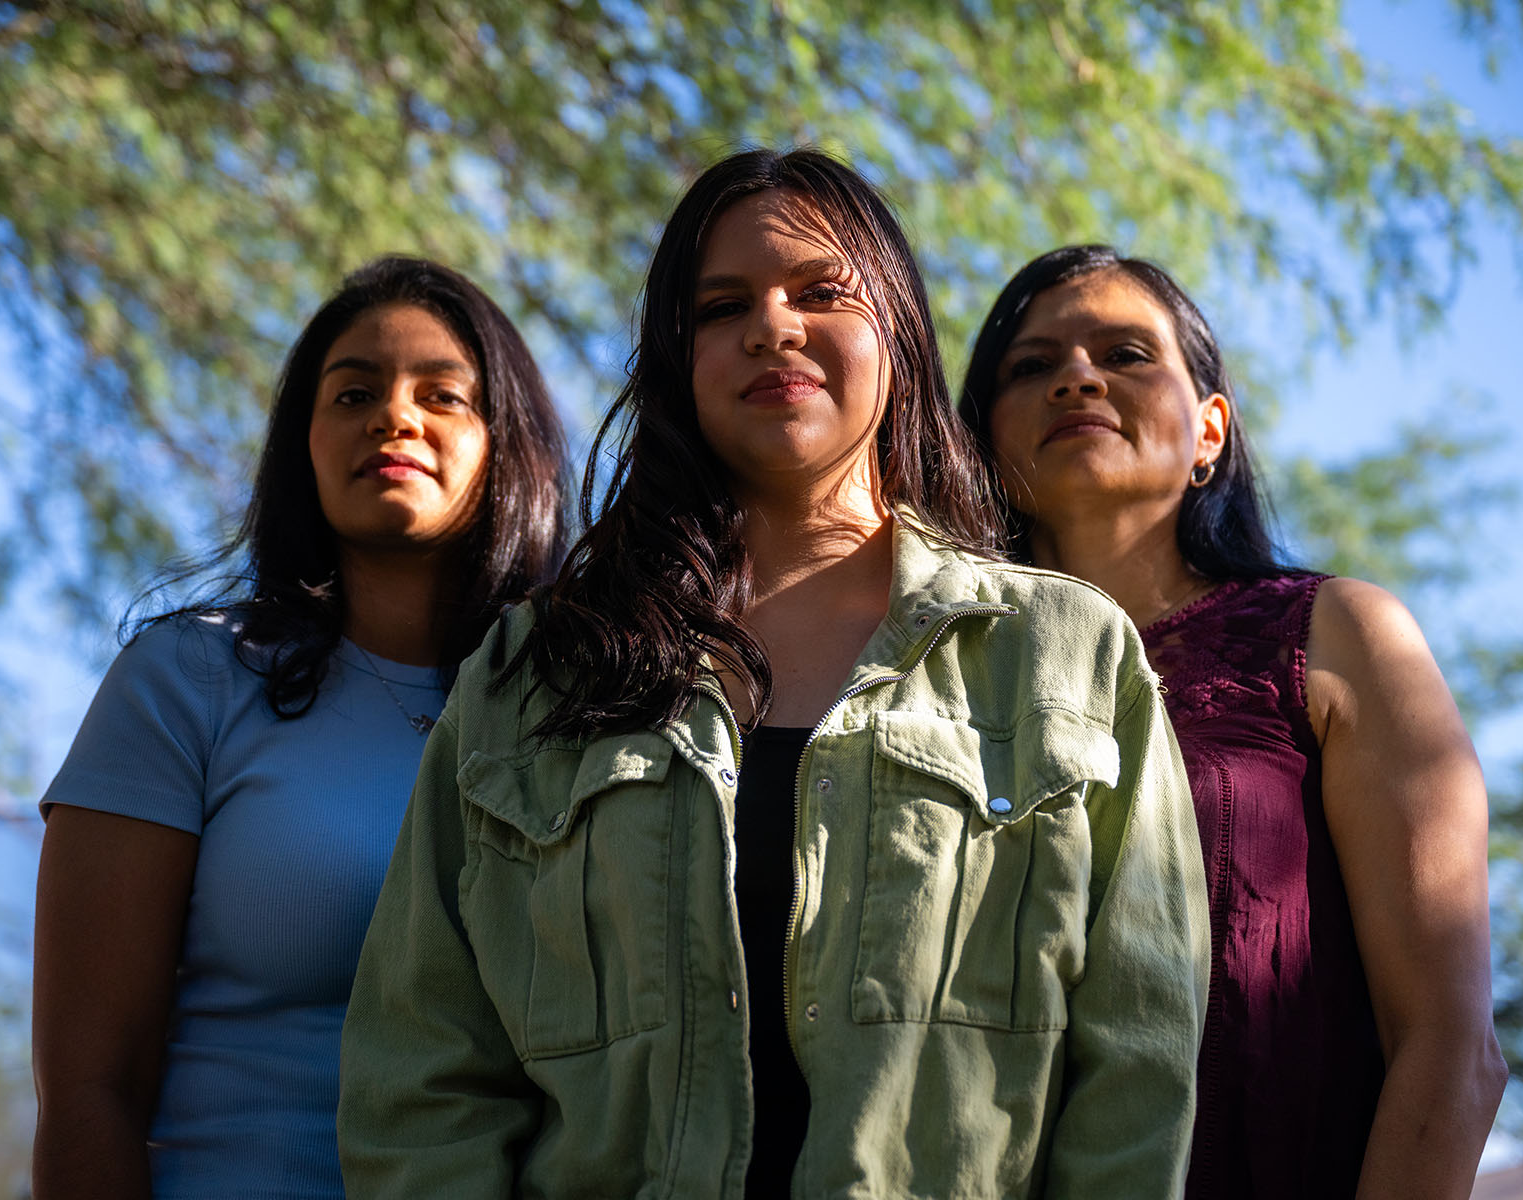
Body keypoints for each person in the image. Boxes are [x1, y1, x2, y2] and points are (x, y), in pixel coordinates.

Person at [338, 150, 1209, 1199]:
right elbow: (420, 1078)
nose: (773, 326)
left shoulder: (1067, 653)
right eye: (722, 305)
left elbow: (1137, 1070)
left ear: (897, 331)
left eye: (821, 291)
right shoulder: (534, 668)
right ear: (677, 358)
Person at [958, 245, 1507, 1200]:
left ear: (1210, 429)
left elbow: (1450, 1049)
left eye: (1125, 354)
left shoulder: (1337, 635)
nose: (1076, 377)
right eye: (1031, 366)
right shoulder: (929, 687)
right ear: (983, 443)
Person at [31, 256, 571, 1199]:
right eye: (353, 392)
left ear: (509, 444)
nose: (393, 417)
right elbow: (89, 1093)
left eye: (442, 395)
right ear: (303, 446)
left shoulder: (581, 715)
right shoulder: (186, 681)